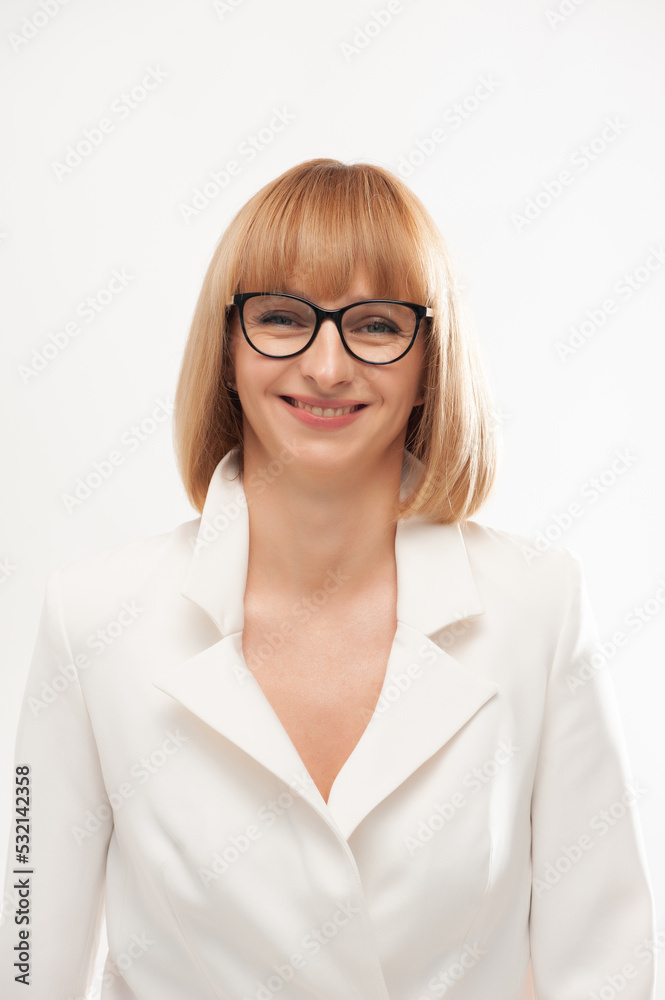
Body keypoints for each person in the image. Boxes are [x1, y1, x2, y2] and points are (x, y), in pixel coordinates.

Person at [0, 158, 656, 999]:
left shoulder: (537, 607)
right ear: (228, 346)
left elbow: (605, 965)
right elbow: (24, 962)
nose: (325, 366)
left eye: (376, 325)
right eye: (281, 317)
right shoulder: (91, 619)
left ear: (430, 361)